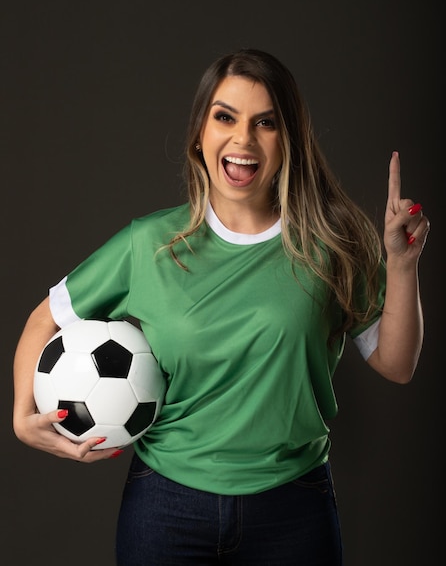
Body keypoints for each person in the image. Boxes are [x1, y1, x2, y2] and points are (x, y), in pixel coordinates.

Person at [13, 49, 430, 565]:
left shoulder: (333, 241)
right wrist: (19, 414)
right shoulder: (148, 244)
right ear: (199, 134)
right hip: (166, 507)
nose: (243, 140)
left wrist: (401, 264)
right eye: (225, 117)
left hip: (293, 506)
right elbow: (44, 319)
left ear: (289, 139)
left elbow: (397, 363)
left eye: (266, 123)